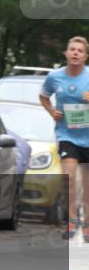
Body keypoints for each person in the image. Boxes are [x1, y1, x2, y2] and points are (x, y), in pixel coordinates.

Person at [39, 36, 89, 241]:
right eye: (72, 50)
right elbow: (43, 96)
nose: (75, 53)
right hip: (67, 135)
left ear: (85, 56)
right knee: (69, 179)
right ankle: (71, 221)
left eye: (80, 50)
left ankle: (86, 225)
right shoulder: (54, 76)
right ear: (66, 54)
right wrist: (52, 111)